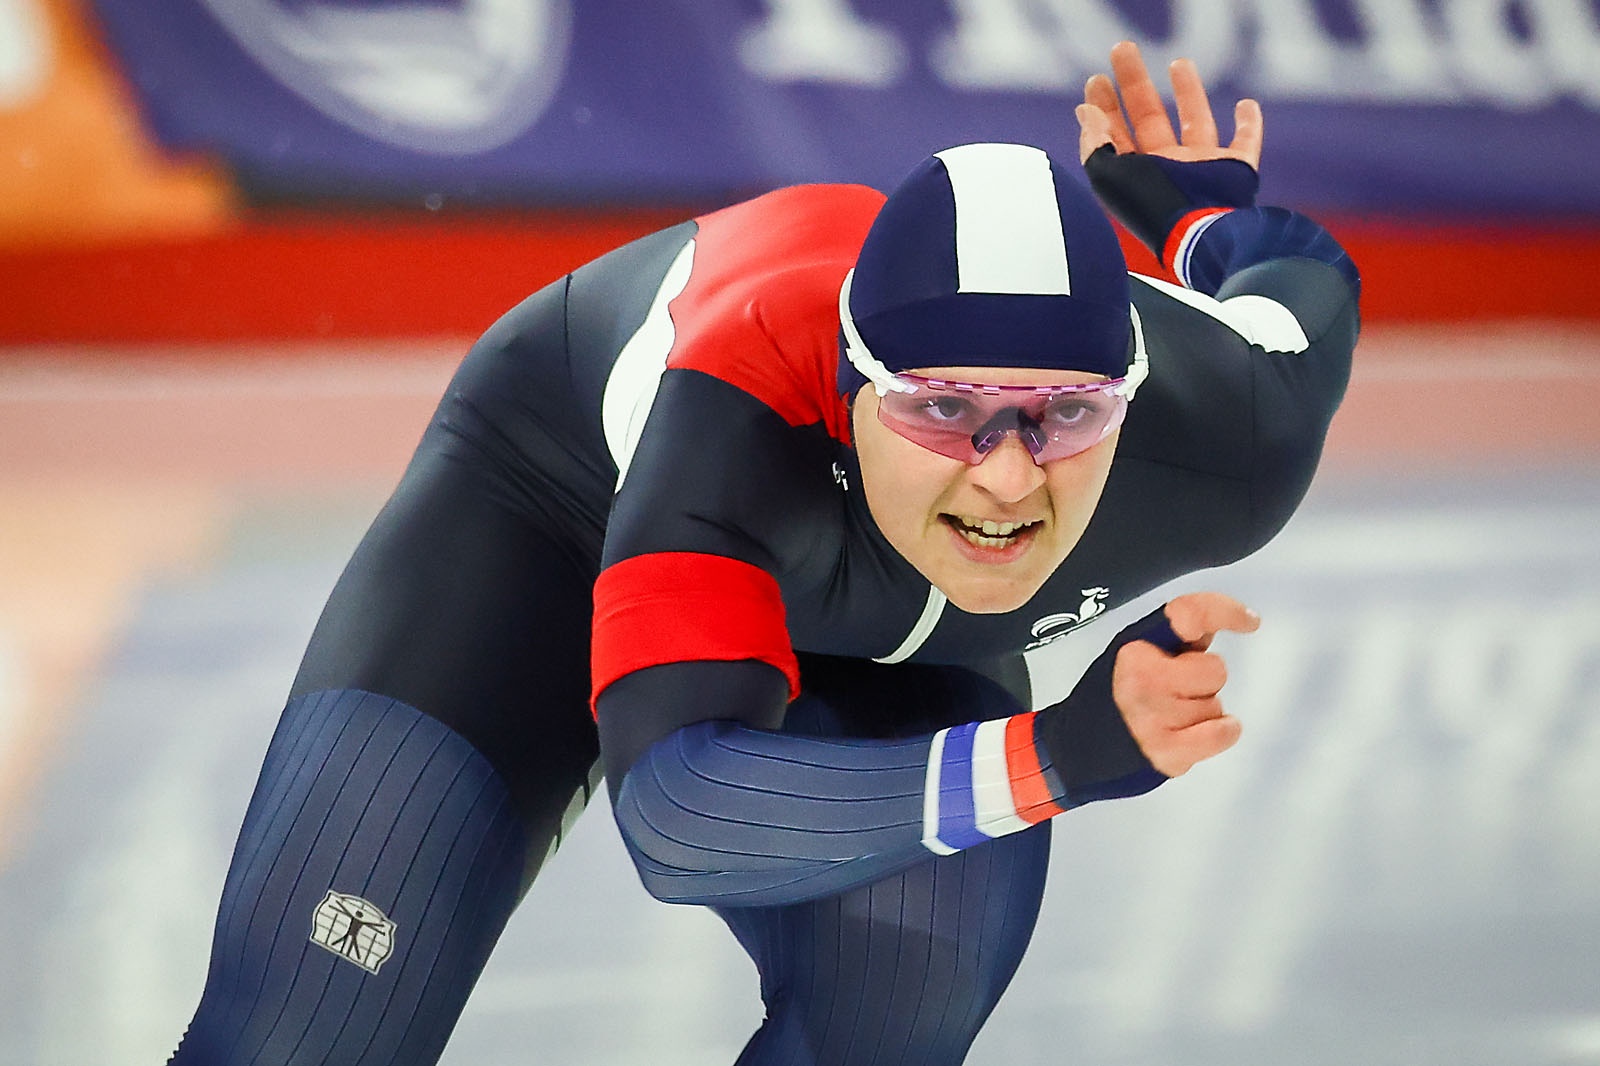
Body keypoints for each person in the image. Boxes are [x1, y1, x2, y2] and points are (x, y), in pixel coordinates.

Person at [167, 41, 1358, 1066]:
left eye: (1069, 414)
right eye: (943, 408)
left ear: (1133, 394)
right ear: (847, 391)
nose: (1006, 476)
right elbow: (678, 814)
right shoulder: (735, 419)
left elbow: (1300, 278)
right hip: (555, 512)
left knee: (895, 1006)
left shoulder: (1233, 431)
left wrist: (1199, 216)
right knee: (302, 1036)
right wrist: (1050, 754)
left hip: (873, 619)